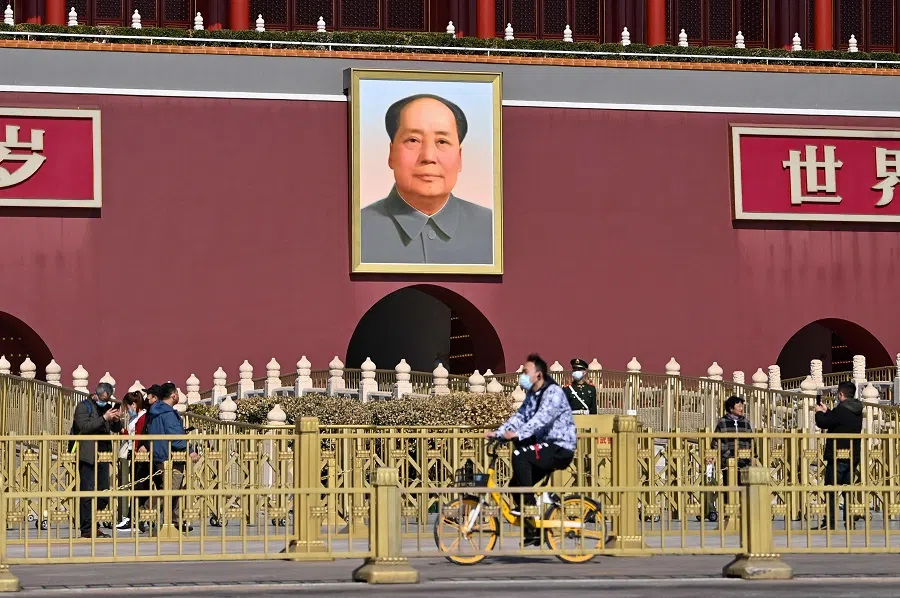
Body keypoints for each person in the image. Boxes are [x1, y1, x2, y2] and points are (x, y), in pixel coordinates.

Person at [360, 93, 493, 265]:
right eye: (413, 140)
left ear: (460, 157)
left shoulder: (494, 229)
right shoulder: (357, 229)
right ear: (391, 154)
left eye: (442, 142)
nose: (428, 156)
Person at [485, 354, 576, 545]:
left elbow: (541, 419)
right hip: (545, 446)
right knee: (514, 485)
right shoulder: (532, 395)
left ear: (539, 375)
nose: (523, 375)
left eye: (526, 372)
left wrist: (518, 434)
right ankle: (533, 531)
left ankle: (530, 506)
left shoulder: (553, 392)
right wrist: (499, 433)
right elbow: (519, 417)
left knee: (520, 456)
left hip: (559, 446)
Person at [72, 382, 123, 538]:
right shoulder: (83, 407)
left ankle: (95, 522)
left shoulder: (107, 407)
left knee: (103, 492)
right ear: (96, 394)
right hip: (87, 454)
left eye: (106, 399)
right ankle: (87, 528)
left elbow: (115, 429)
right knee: (87, 492)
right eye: (101, 399)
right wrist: (104, 418)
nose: (103, 401)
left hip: (104, 454)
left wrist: (115, 420)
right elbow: (84, 427)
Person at [147, 382, 199, 532]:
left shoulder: (155, 411)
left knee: (172, 490)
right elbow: (176, 437)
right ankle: (144, 514)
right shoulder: (168, 413)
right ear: (173, 395)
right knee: (170, 490)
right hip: (170, 456)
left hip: (158, 453)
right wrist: (190, 450)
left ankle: (175, 521)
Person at [815, 380, 863, 530]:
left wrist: (818, 412)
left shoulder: (841, 410)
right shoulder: (857, 411)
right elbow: (837, 421)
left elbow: (824, 423)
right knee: (847, 490)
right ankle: (849, 522)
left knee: (830, 490)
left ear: (841, 394)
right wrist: (828, 411)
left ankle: (829, 522)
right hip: (852, 456)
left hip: (837, 455)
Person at [710, 396, 754, 515]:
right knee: (728, 484)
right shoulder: (722, 422)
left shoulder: (745, 422)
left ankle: (743, 510)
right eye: (739, 406)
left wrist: (751, 455)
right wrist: (716, 455)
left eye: (742, 406)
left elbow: (751, 440)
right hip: (728, 459)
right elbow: (716, 441)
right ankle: (727, 510)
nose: (742, 408)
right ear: (731, 408)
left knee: (743, 484)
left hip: (743, 460)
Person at [115, 391, 149, 533]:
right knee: (138, 487)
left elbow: (139, 437)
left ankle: (134, 518)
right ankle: (135, 518)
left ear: (133, 405)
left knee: (139, 488)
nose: (127, 410)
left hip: (141, 457)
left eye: (128, 407)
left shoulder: (142, 418)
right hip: (134, 455)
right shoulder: (136, 418)